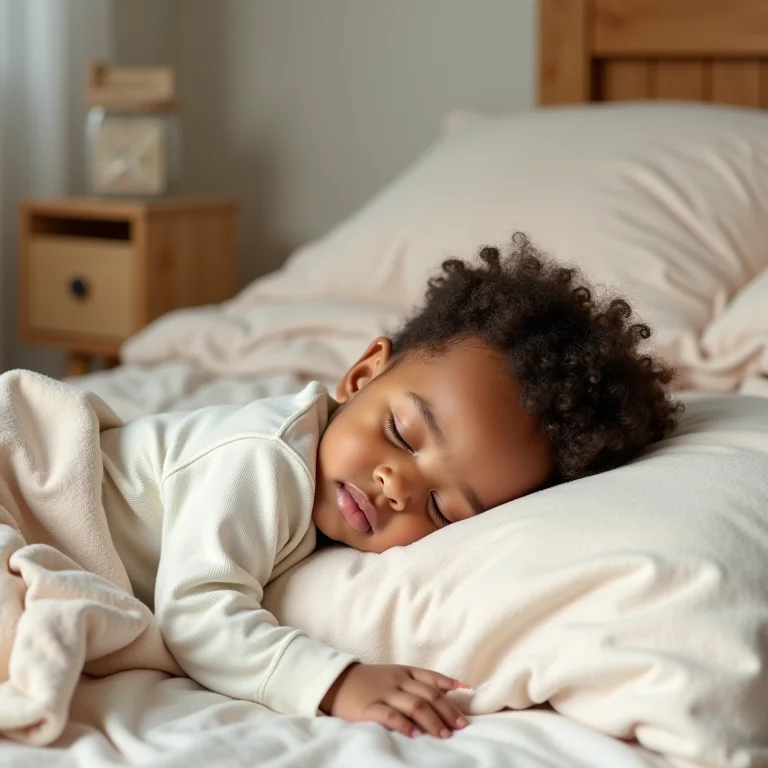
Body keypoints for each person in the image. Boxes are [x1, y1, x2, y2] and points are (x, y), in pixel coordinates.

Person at [99, 233, 680, 741]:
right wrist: (335, 680)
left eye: (440, 507)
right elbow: (194, 613)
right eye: (402, 433)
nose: (396, 486)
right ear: (361, 375)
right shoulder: (266, 459)